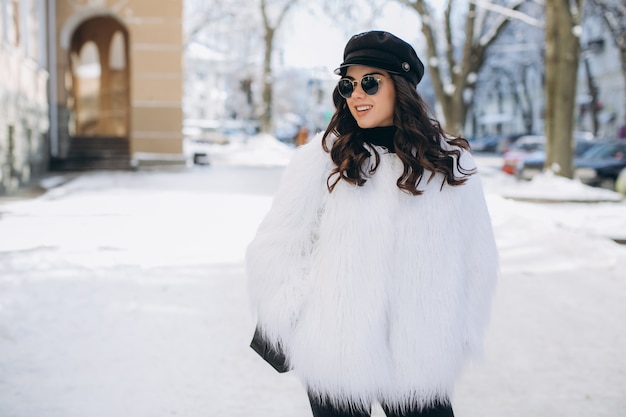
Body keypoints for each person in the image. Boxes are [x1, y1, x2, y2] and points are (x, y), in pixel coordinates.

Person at [246, 31, 498, 417]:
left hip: (420, 356)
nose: (356, 95)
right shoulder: (323, 158)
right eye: (348, 85)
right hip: (336, 352)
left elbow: (478, 257)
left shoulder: (450, 164)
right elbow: (279, 248)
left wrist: (459, 333)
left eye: (369, 83)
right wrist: (294, 324)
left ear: (401, 86)